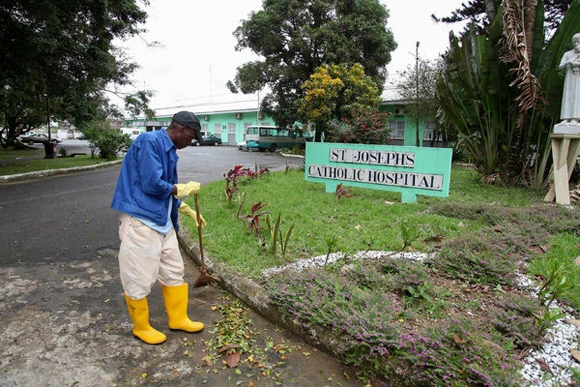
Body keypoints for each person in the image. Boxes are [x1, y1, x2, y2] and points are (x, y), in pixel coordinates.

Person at [111, 111, 207, 345]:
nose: (191, 142)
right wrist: (180, 189)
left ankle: (178, 318)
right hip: (141, 221)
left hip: (163, 222)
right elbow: (152, 184)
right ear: (182, 130)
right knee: (139, 276)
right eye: (192, 137)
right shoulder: (149, 142)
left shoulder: (169, 150)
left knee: (174, 271)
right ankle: (141, 327)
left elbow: (164, 189)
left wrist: (185, 209)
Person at [559, 33, 580, 123]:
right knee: (568, 97)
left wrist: (576, 64)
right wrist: (568, 62)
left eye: (578, 41)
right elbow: (560, 66)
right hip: (569, 80)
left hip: (578, 79)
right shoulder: (567, 54)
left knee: (577, 97)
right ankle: (566, 118)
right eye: (575, 41)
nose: (576, 43)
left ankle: (576, 118)